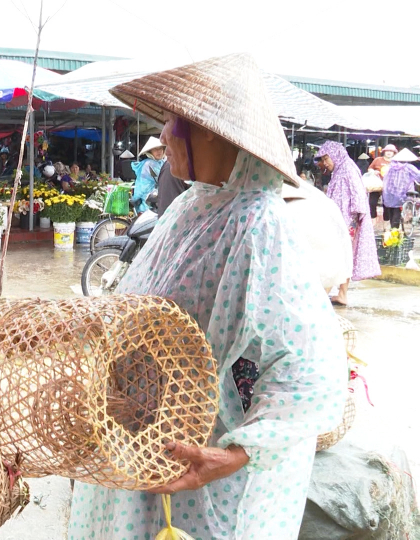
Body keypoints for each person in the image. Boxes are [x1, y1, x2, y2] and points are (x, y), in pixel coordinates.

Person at [70, 53, 347, 539]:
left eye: (175, 122)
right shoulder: (188, 211)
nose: (164, 137)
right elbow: (140, 312)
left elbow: (310, 371)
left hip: (213, 477)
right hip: (149, 448)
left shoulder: (262, 230)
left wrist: (237, 453)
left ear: (213, 130)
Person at [315, 141, 381, 305]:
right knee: (343, 256)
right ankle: (341, 294)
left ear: (335, 155)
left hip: (346, 220)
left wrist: (352, 222)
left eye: (326, 158)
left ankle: (325, 294)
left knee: (336, 255)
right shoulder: (340, 169)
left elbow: (358, 194)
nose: (325, 163)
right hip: (341, 219)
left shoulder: (348, 168)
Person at [381, 148, 420, 230]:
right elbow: (418, 176)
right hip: (402, 192)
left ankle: (392, 229)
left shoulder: (390, 166)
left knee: (391, 210)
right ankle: (394, 232)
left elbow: (385, 178)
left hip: (389, 192)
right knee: (397, 210)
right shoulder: (409, 167)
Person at [130, 136, 166, 212]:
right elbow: (163, 178)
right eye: (155, 149)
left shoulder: (160, 162)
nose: (158, 151)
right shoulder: (150, 163)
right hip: (146, 195)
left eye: (160, 148)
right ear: (150, 152)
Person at [368, 144, 396, 223]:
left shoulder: (396, 162)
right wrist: (374, 172)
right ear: (384, 152)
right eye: (387, 151)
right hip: (376, 185)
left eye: (391, 151)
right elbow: (370, 168)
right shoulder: (378, 160)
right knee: (372, 203)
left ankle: (386, 225)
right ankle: (373, 220)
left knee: (386, 205)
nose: (389, 153)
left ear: (394, 153)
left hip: (389, 186)